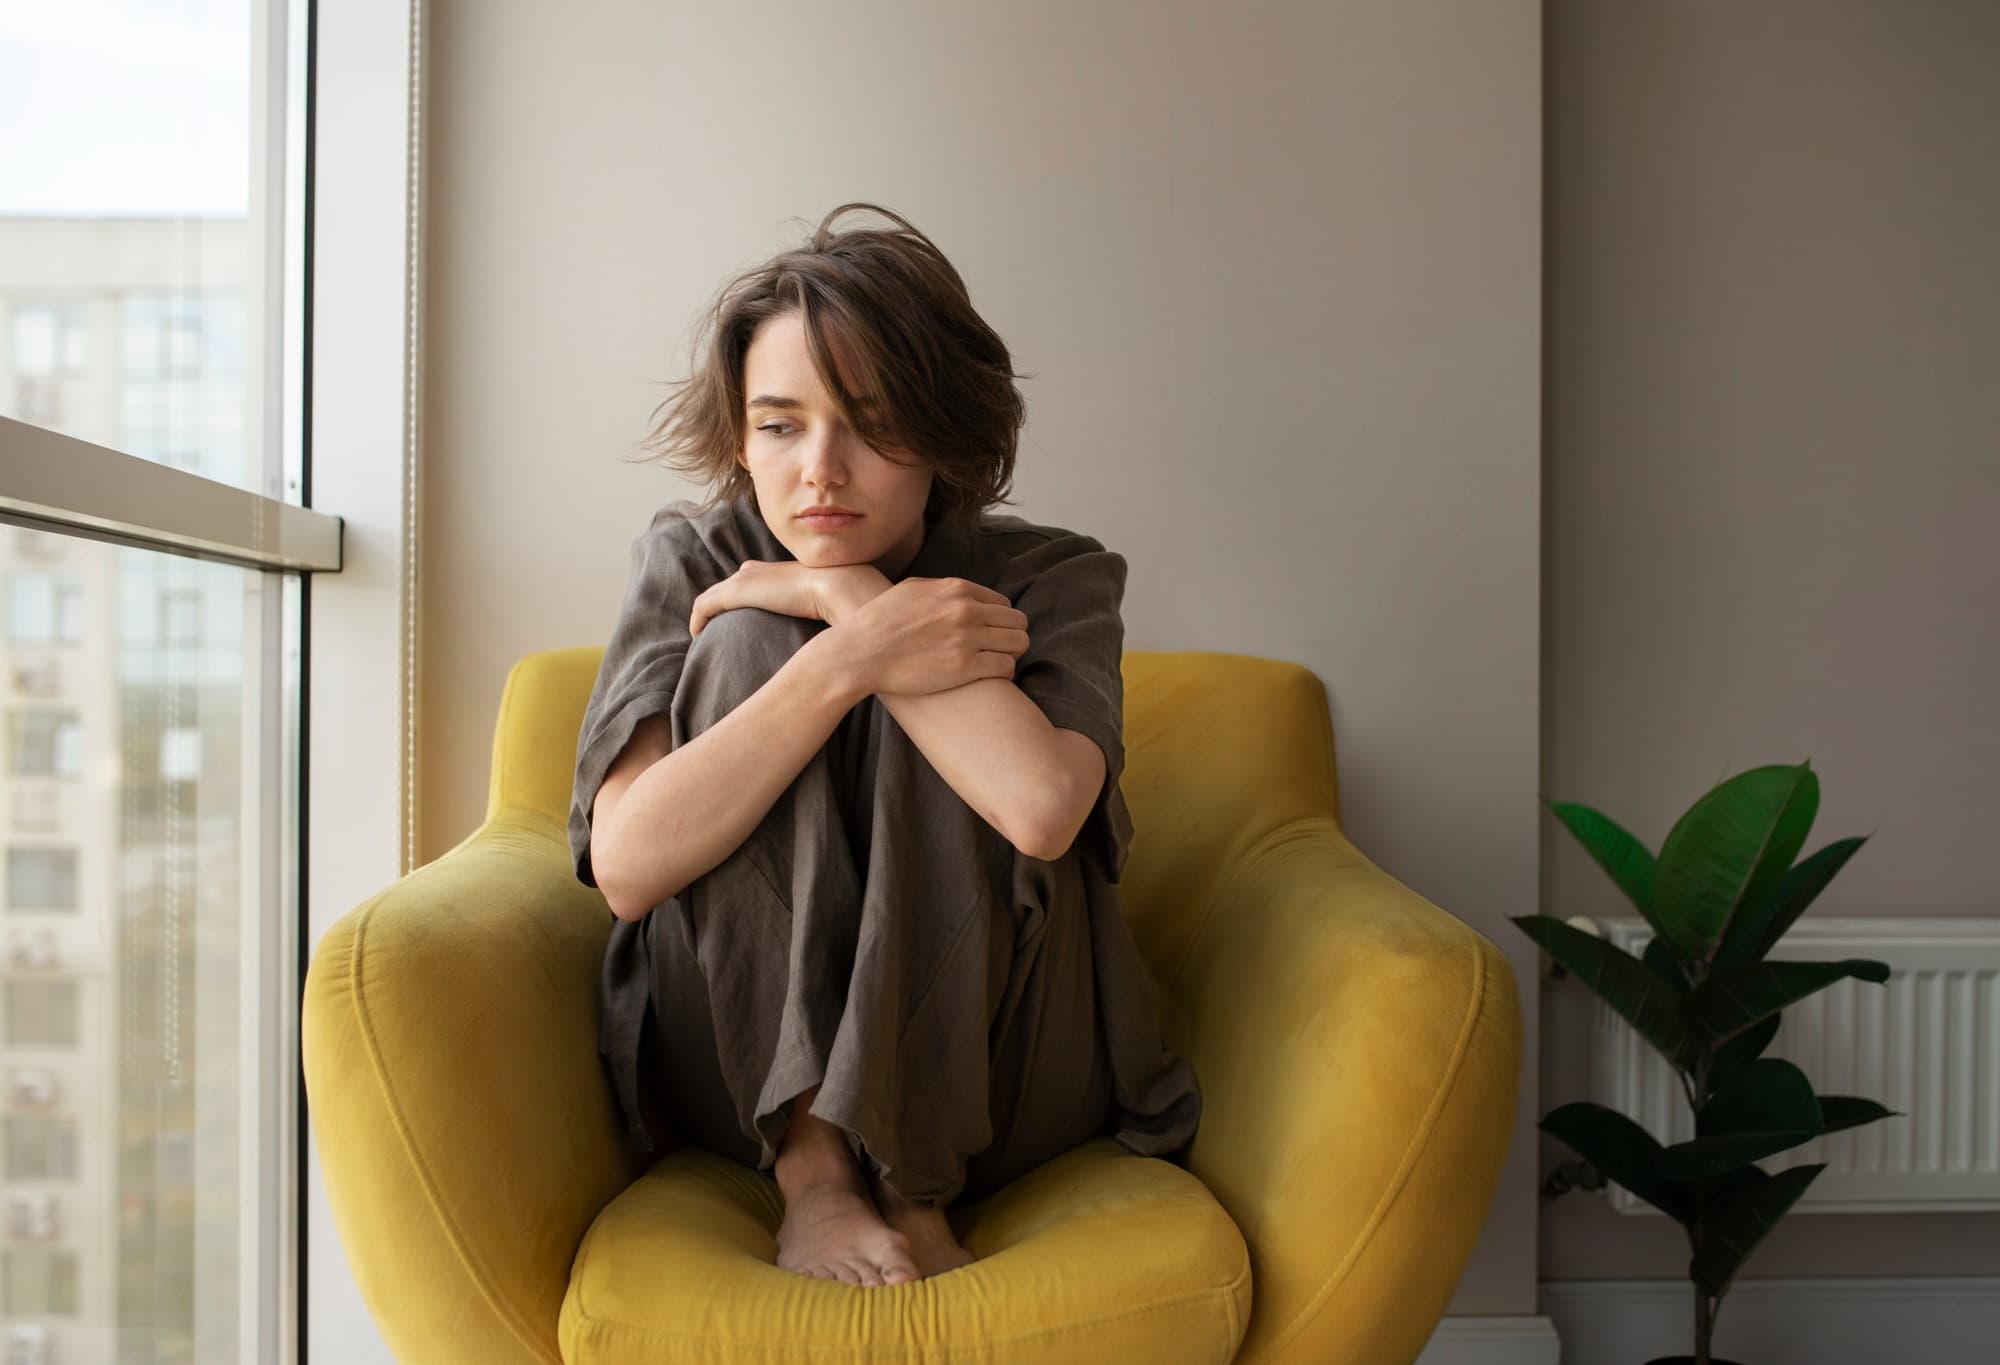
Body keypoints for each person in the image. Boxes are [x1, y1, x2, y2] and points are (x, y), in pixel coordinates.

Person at [567, 203, 1199, 1289]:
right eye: (778, 425)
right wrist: (837, 649)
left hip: (1010, 1067)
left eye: (869, 422)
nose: (820, 469)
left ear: (946, 431)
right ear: (739, 436)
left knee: (951, 685)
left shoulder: (1058, 575)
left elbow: (1041, 808)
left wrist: (853, 599)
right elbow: (626, 868)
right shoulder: (694, 561)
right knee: (750, 644)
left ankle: (916, 1181)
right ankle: (814, 1178)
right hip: (736, 1067)